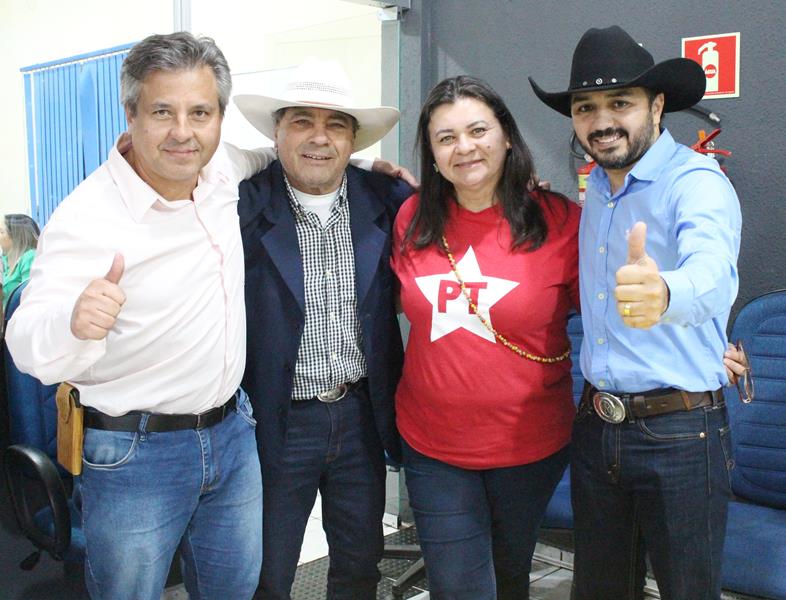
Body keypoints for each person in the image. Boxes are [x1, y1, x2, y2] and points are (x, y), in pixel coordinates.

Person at [6, 32, 267, 600]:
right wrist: (73, 322)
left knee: (234, 592)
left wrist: (370, 166)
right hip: (134, 455)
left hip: (233, 435)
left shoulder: (220, 167)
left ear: (219, 117)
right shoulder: (87, 217)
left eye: (200, 112)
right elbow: (23, 339)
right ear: (130, 114)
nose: (182, 131)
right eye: (161, 112)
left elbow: (277, 155)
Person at [530, 25, 741, 599]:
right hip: (599, 428)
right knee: (599, 590)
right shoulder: (595, 186)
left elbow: (714, 272)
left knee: (687, 591)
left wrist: (666, 293)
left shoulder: (696, 182)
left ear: (657, 104)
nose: (602, 121)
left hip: (680, 432)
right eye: (585, 107)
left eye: (620, 102)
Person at [390, 75, 580, 599]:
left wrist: (696, 344)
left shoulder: (561, 221)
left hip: (530, 444)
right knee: (460, 586)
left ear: (507, 137)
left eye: (478, 130)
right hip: (434, 445)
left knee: (509, 573)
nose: (464, 147)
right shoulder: (411, 217)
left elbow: (614, 316)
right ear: (430, 153)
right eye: (445, 137)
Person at [235, 58, 413, 600]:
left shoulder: (384, 200)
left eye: (335, 123)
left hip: (360, 414)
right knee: (269, 571)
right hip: (277, 418)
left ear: (353, 139)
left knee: (361, 564)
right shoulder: (240, 204)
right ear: (276, 132)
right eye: (301, 121)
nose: (319, 138)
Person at [1, 213, 39, 308]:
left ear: (15, 236)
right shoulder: (5, 258)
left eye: (1, 232)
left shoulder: (29, 257)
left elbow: (29, 296)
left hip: (21, 318)